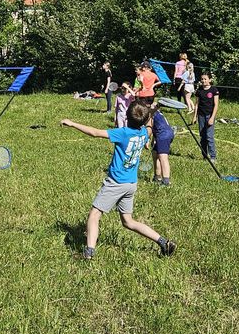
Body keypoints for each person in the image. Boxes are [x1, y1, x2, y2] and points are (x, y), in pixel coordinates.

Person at [61, 101, 176, 260]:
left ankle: (89, 253)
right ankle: (163, 242)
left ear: (127, 117)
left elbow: (95, 132)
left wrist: (73, 123)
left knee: (94, 215)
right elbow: (149, 127)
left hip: (116, 183)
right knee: (128, 221)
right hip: (131, 184)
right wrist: (152, 112)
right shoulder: (144, 133)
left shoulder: (123, 133)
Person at [193, 71, 219, 162]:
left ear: (210, 80)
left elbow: (216, 105)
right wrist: (194, 116)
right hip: (201, 116)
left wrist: (212, 118)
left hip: (209, 115)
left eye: (205, 79)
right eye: (202, 79)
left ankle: (213, 157)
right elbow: (197, 104)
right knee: (203, 137)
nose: (203, 81)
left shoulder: (214, 90)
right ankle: (205, 156)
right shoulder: (199, 90)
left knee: (209, 136)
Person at [150, 103, 175, 186]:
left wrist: (147, 140)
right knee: (155, 153)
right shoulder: (157, 113)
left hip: (163, 135)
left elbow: (150, 127)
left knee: (163, 157)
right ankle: (157, 177)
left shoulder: (152, 113)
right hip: (163, 134)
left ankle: (166, 180)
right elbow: (155, 128)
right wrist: (153, 140)